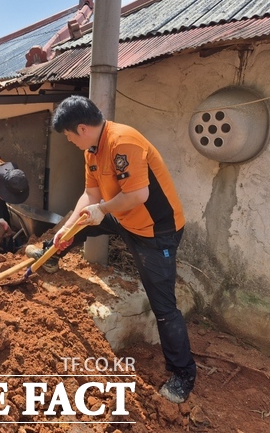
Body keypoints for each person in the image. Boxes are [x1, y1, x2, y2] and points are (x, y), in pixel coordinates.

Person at [26, 95, 196, 403]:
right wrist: (66, 229)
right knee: (83, 222)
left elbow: (138, 194)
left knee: (164, 306)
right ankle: (52, 254)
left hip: (155, 231)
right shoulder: (92, 150)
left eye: (68, 136)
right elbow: (90, 197)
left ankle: (183, 375)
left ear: (81, 128)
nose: (70, 142)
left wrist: (102, 210)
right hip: (123, 216)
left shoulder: (122, 143)